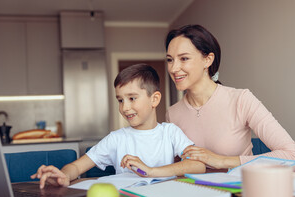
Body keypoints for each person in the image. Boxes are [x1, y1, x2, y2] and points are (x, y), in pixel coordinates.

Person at [31, 63, 206, 188]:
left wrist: (151, 171)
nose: (125, 107)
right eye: (120, 100)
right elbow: (76, 167)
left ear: (154, 99)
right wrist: (64, 175)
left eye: (132, 98)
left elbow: (198, 165)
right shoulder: (116, 139)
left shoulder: (170, 132)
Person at [165, 24, 295, 171]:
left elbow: (294, 158)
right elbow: (173, 168)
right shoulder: (172, 114)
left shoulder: (241, 100)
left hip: (241, 191)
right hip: (194, 192)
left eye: (184, 58)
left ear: (208, 60)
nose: (173, 69)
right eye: (170, 60)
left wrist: (221, 161)